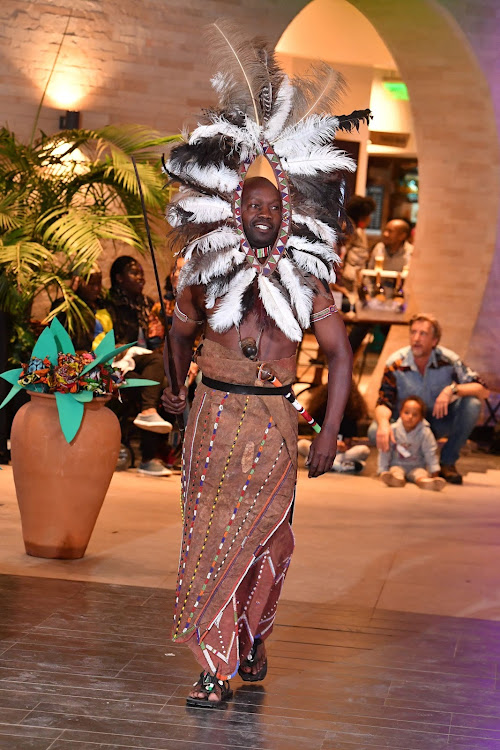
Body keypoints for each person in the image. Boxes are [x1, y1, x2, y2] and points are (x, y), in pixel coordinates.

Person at [160, 32, 369, 707]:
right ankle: (214, 663)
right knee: (210, 542)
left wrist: (332, 432)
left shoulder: (311, 285)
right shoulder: (203, 275)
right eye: (248, 203)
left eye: (269, 205)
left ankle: (251, 635)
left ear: (285, 212)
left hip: (276, 420)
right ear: (233, 207)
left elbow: (338, 358)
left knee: (270, 547)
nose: (257, 212)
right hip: (214, 417)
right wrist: (172, 388)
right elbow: (180, 333)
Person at [371, 313, 489, 485]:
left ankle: (447, 463)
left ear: (434, 341)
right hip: (405, 424)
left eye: (423, 334)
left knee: (472, 404)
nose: (416, 338)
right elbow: (384, 402)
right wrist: (383, 424)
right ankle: (403, 463)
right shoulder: (396, 363)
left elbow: (483, 390)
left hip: (437, 422)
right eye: (413, 332)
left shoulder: (448, 360)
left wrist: (452, 389)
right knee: (375, 431)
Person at [105, 255, 173, 477]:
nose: (141, 278)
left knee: (157, 372)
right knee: (147, 381)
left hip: (143, 359)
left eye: (142, 274)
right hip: (116, 359)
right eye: (134, 273)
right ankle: (147, 456)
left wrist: (157, 334)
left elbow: (157, 343)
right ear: (119, 278)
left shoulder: (147, 305)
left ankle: (148, 413)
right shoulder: (109, 304)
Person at [378, 395, 445, 491]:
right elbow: (385, 450)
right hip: (398, 464)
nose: (410, 417)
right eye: (406, 413)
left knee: (421, 474)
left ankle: (426, 483)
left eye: (415, 415)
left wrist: (434, 471)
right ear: (400, 413)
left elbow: (430, 451)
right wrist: (382, 469)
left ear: (421, 418)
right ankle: (397, 480)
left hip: (417, 466)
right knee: (396, 472)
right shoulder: (393, 430)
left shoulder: (425, 432)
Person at [342, 195, 376, 292]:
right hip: (345, 277)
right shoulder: (349, 228)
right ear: (363, 216)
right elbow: (342, 251)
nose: (370, 219)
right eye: (369, 215)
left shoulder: (351, 226)